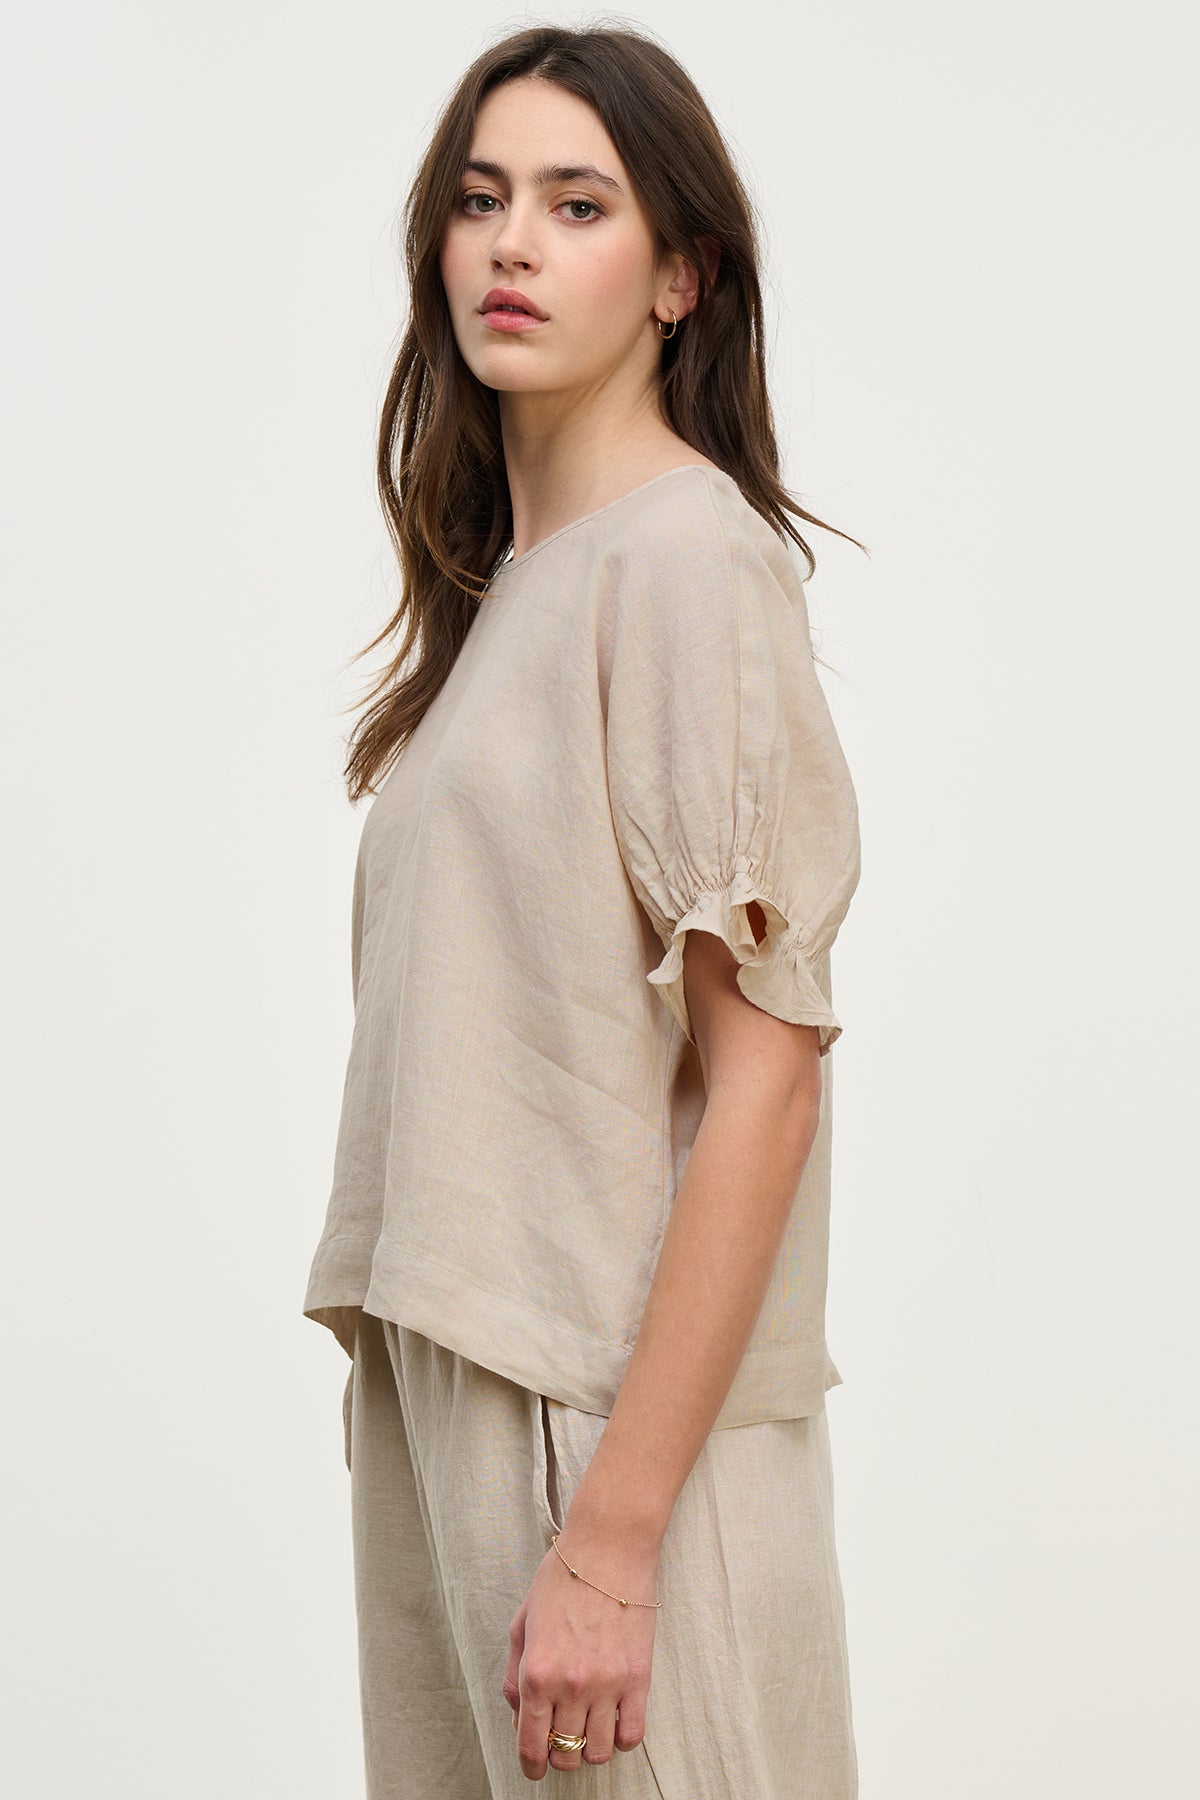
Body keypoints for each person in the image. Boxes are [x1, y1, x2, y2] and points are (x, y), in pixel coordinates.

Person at [302, 22, 867, 1797]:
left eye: (576, 202)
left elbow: (768, 1074)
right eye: (481, 201)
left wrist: (612, 1542)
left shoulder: (687, 563)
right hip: (469, 1390)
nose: (514, 245)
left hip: (600, 1431)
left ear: (681, 273)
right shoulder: (508, 601)